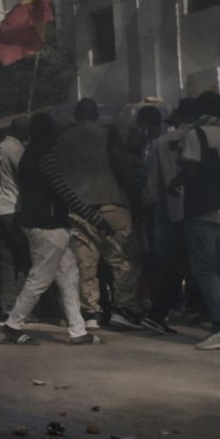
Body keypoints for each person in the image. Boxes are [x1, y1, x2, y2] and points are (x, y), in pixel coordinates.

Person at [2, 113, 106, 346]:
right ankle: (13, 324)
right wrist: (94, 218)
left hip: (42, 223)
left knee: (68, 276)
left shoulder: (29, 155)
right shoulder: (46, 156)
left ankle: (78, 330)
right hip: (49, 225)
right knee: (41, 277)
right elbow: (64, 191)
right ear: (48, 132)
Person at [57, 98, 143, 329]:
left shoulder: (63, 140)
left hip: (78, 208)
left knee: (86, 263)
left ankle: (91, 312)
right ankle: (123, 309)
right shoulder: (108, 135)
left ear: (76, 115)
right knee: (123, 259)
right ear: (96, 114)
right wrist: (136, 197)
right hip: (113, 203)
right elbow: (122, 168)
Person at [177, 91, 220, 350]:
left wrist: (175, 179)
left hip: (203, 212)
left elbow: (191, 169)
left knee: (205, 270)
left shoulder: (197, 134)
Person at [142, 99, 197, 334]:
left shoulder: (159, 143)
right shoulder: (200, 137)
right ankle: (186, 306)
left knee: (174, 259)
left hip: (171, 210)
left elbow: (153, 182)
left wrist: (150, 207)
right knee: (194, 260)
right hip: (200, 210)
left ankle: (166, 308)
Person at [0, 118, 30, 320]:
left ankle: (6, 306)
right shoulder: (17, 150)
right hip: (14, 208)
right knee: (25, 260)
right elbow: (25, 177)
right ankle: (21, 308)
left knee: (5, 261)